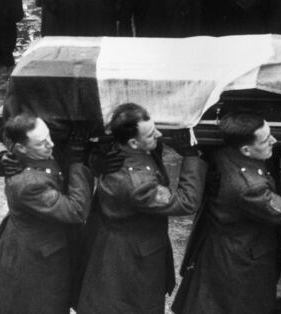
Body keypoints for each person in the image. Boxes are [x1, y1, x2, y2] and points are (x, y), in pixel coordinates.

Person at [171, 113, 281, 314]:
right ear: (246, 150)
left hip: (222, 249)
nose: (274, 141)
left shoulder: (226, 151)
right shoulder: (250, 188)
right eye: (266, 140)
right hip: (242, 261)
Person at [76, 103, 207, 313]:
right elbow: (186, 202)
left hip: (114, 246)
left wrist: (94, 158)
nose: (159, 134)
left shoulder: (120, 148)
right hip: (130, 260)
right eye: (151, 134)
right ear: (134, 143)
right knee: (128, 305)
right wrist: (191, 156)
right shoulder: (138, 183)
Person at [0, 114, 94, 313]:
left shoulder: (33, 144)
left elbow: (5, 126)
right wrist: (76, 163)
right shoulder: (29, 184)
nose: (51, 144)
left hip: (42, 239)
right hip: (36, 254)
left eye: (49, 137)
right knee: (37, 302)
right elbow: (76, 211)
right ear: (21, 148)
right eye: (41, 143)